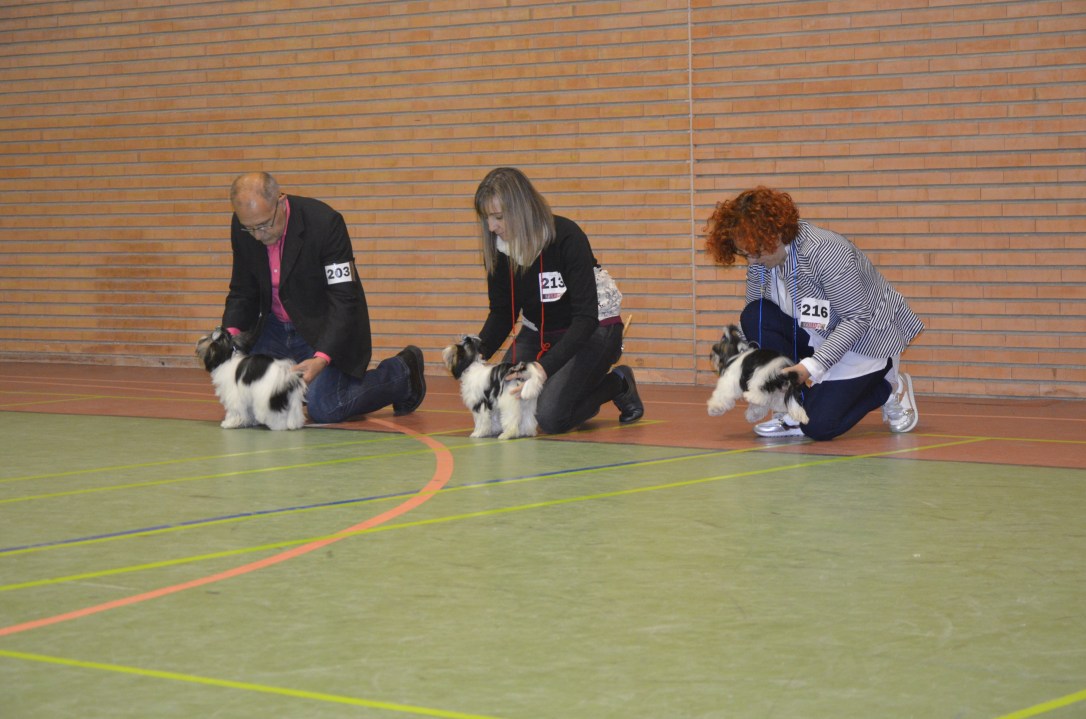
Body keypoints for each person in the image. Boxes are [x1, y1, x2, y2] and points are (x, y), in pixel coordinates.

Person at [704, 186, 923, 441]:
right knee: (754, 314)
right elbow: (756, 313)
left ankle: (888, 385)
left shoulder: (826, 251)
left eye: (755, 252)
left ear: (775, 235)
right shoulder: (761, 260)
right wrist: (736, 350)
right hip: (817, 333)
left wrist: (810, 367)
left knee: (818, 427)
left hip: (866, 342)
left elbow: (857, 318)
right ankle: (793, 408)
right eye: (744, 254)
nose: (751, 261)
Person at [218, 171, 425, 424]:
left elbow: (344, 297)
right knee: (250, 403)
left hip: (320, 330)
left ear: (281, 201)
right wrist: (228, 338)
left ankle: (401, 373)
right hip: (273, 330)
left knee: (325, 406)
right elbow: (242, 289)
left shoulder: (325, 223)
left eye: (263, 225)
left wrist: (322, 357)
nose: (258, 235)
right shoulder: (244, 226)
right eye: (250, 228)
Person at [470, 167, 643, 434]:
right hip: (540, 332)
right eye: (487, 218)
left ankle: (618, 383)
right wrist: (474, 355)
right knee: (501, 406)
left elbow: (585, 318)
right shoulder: (499, 249)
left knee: (550, 417)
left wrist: (543, 368)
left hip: (593, 328)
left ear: (522, 210)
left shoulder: (567, 236)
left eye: (499, 217)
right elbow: (503, 313)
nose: (492, 227)